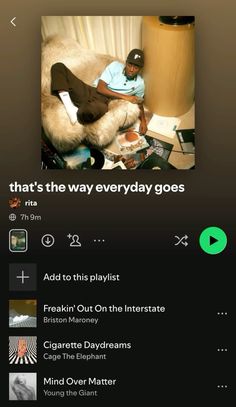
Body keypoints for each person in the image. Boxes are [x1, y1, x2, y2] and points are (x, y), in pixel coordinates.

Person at [51, 48, 147, 134]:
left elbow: (139, 102)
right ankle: (69, 106)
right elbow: (100, 88)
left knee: (85, 112)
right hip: (91, 90)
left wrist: (143, 121)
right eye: (129, 65)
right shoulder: (115, 66)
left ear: (140, 69)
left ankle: (76, 109)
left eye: (136, 67)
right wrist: (126, 97)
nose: (131, 69)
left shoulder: (140, 84)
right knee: (58, 67)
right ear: (126, 62)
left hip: (104, 101)